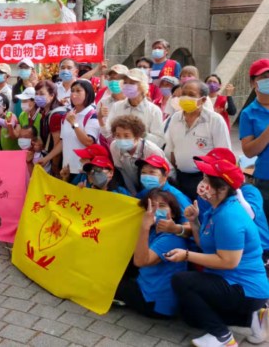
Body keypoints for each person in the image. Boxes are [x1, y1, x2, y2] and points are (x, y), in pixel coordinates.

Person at [167, 156, 269, 347]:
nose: (202, 184)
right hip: (232, 283)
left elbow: (228, 261)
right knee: (190, 315)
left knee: (181, 281)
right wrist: (194, 222)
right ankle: (253, 317)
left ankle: (222, 337)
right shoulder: (216, 209)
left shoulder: (229, 216)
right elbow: (205, 244)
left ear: (222, 188)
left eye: (206, 180)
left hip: (244, 288)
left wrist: (186, 254)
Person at [114, 189, 188, 318]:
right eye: (151, 206)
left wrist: (145, 226)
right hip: (146, 288)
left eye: (162, 206)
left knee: (108, 283)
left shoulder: (170, 238)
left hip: (155, 304)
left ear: (174, 213)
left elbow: (140, 261)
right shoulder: (156, 230)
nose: (155, 210)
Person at [165, 79, 231, 200]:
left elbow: (224, 155)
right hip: (180, 177)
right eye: (183, 94)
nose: (185, 98)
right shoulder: (175, 118)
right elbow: (172, 149)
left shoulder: (215, 120)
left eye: (191, 95)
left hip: (205, 179)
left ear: (203, 100)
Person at [101, 68, 164, 148]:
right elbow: (108, 133)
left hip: (144, 156)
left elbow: (159, 141)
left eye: (132, 83)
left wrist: (140, 133)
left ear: (142, 86)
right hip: (120, 154)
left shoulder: (153, 110)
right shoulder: (117, 106)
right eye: (125, 82)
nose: (127, 86)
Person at [109, 115, 167, 195]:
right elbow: (123, 172)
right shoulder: (114, 147)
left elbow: (161, 176)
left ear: (137, 136)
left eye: (126, 136)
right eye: (118, 135)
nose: (121, 139)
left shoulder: (152, 150)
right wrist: (133, 194)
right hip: (134, 183)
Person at [55, 80, 100, 181]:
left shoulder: (92, 115)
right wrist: (46, 159)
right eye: (72, 91)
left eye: (78, 91)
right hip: (67, 170)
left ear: (88, 94)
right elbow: (63, 142)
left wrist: (74, 124)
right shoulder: (67, 115)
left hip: (84, 171)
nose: (74, 94)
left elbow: (89, 141)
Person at [241, 59, 269, 221]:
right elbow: (249, 151)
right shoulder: (248, 113)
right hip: (265, 180)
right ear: (253, 82)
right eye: (263, 77)